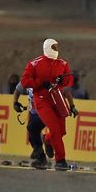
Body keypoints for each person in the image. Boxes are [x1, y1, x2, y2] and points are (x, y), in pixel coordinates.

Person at [20, 38, 74, 171]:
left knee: (61, 132)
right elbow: (25, 81)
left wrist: (63, 80)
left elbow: (69, 81)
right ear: (47, 47)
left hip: (58, 100)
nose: (56, 50)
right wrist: (39, 83)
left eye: (57, 47)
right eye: (54, 47)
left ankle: (48, 139)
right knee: (55, 128)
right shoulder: (34, 64)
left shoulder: (63, 63)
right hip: (42, 101)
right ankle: (60, 160)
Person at [13, 82, 48, 168]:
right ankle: (41, 157)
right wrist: (15, 102)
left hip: (45, 112)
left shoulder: (46, 78)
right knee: (31, 135)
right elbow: (18, 89)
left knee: (32, 128)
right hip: (33, 112)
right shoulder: (28, 79)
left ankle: (40, 148)